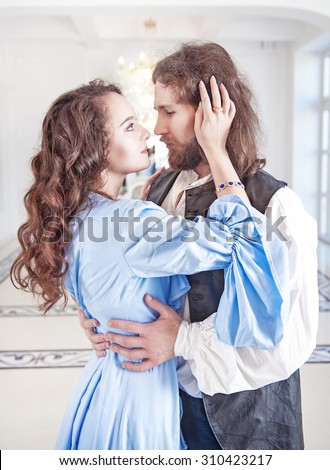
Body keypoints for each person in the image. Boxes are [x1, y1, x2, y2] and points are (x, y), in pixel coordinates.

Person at [10, 78, 290, 450]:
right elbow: (246, 239)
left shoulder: (77, 216)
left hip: (101, 386)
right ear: (95, 147)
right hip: (136, 402)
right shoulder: (131, 220)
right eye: (129, 126)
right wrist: (217, 152)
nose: (148, 131)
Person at [80, 42, 319, 450]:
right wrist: (100, 315)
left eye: (168, 112)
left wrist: (183, 340)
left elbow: (288, 344)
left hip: (247, 423)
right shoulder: (157, 191)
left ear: (214, 109)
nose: (156, 128)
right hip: (170, 408)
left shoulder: (276, 205)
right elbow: (130, 268)